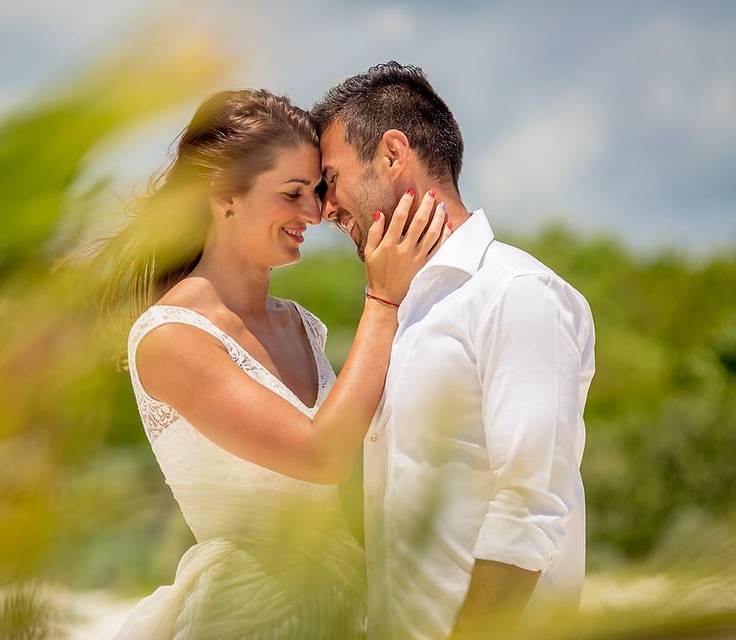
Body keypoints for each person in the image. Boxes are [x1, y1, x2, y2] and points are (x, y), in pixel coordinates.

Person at [97, 89, 450, 639]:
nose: (314, 213)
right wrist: (382, 303)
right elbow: (319, 455)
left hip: (344, 605)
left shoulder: (303, 326)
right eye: (292, 194)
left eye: (316, 190)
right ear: (224, 196)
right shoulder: (172, 337)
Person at [312, 62, 596, 639]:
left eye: (331, 180)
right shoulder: (397, 310)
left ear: (392, 155)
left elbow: (531, 504)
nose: (323, 209)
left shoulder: (516, 293)